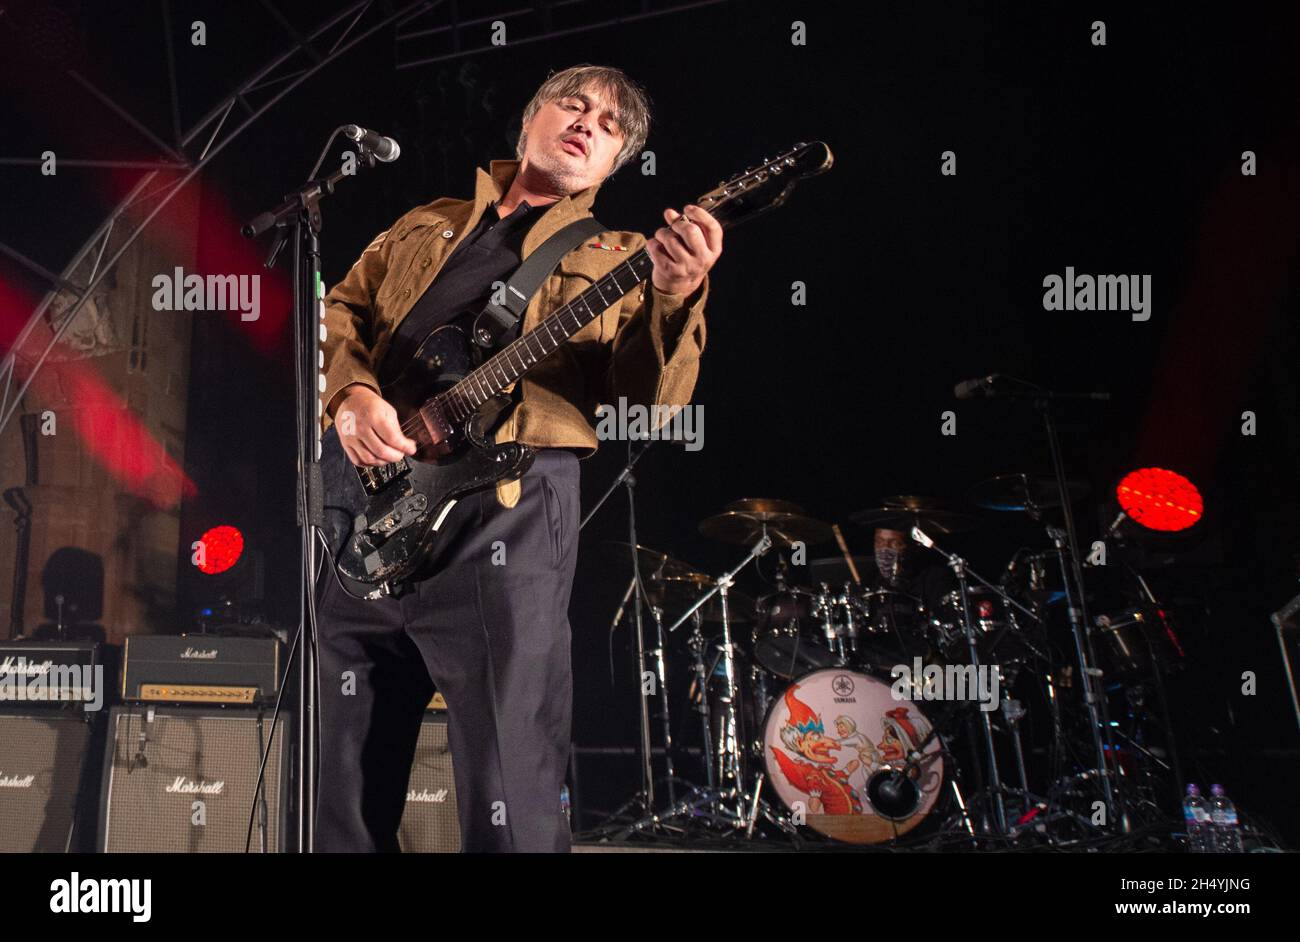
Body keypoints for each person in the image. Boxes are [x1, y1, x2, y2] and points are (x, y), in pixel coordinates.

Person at [314, 64, 722, 852]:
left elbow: (654, 398)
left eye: (609, 126)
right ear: (531, 118)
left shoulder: (625, 253)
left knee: (510, 768)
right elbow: (342, 310)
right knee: (344, 770)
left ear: (613, 166)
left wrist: (676, 294)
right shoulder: (424, 221)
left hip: (511, 507)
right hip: (370, 506)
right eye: (574, 105)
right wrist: (351, 395)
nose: (587, 122)